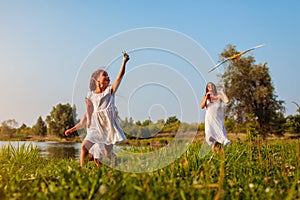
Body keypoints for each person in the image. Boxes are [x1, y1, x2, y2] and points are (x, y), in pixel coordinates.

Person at [85, 52, 130, 164]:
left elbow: (120, 77)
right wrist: (89, 120)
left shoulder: (110, 91)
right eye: (104, 74)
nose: (108, 76)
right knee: (96, 155)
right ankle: (99, 169)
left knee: (107, 153)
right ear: (97, 80)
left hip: (108, 126)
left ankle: (116, 163)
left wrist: (124, 62)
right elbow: (90, 109)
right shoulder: (92, 94)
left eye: (108, 75)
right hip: (97, 126)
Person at [200, 82, 231, 152]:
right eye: (208, 86)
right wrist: (206, 97)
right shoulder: (205, 97)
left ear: (214, 87)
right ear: (207, 89)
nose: (210, 87)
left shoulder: (219, 96)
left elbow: (227, 101)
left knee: (220, 135)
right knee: (211, 135)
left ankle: (218, 151)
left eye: (212, 86)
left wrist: (222, 92)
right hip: (209, 120)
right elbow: (202, 106)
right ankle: (216, 151)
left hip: (218, 119)